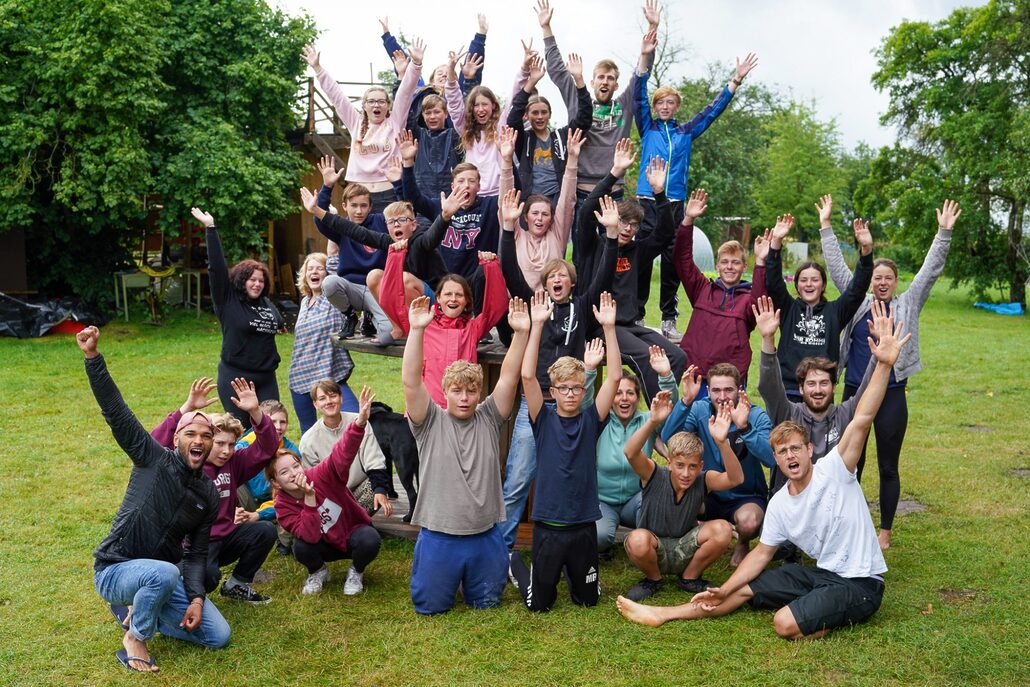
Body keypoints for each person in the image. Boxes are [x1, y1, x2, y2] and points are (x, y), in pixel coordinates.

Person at [616, 301, 910, 640]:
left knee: (784, 624)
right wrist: (724, 588)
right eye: (782, 452)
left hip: (861, 582)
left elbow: (862, 419)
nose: (790, 457)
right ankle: (663, 614)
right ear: (776, 460)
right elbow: (761, 555)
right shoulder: (782, 501)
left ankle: (823, 617)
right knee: (743, 588)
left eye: (795, 449)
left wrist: (884, 365)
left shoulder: (835, 469)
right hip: (822, 573)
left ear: (809, 451)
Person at [81, 327, 230, 673]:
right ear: (177, 437)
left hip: (161, 576)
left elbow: (196, 554)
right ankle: (136, 635)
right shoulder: (152, 458)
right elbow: (117, 412)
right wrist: (93, 359)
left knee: (218, 635)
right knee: (162, 573)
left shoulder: (207, 493)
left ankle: (138, 605)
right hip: (115, 569)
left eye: (206, 436)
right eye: (191, 433)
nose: (199, 440)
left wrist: (195, 597)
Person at [822, 199, 961, 550]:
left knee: (888, 465)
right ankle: (847, 521)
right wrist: (826, 227)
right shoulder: (857, 300)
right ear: (869, 280)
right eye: (876, 277)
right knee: (850, 462)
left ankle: (884, 531)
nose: (881, 282)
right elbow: (837, 265)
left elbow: (930, 270)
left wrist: (944, 232)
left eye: (888, 278)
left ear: (896, 282)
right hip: (855, 393)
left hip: (893, 393)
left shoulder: (909, 302)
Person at [497, 188, 618, 550]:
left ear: (571, 282)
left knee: (575, 477)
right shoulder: (537, 305)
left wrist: (611, 236)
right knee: (518, 478)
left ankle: (570, 545)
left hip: (574, 406)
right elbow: (509, 270)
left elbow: (604, 276)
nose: (558, 280)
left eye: (564, 276)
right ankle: (500, 550)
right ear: (546, 284)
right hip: (537, 405)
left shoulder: (581, 306)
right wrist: (506, 229)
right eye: (552, 277)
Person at [403, 295, 530, 614]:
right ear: (444, 393)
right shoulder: (429, 420)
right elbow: (411, 381)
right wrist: (417, 331)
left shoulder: (489, 417)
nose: (464, 397)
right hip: (439, 537)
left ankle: (482, 572)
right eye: (457, 391)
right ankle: (445, 577)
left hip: (485, 535)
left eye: (471, 391)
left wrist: (521, 334)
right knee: (430, 607)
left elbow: (509, 377)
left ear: (480, 393)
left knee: (487, 602)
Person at [507, 291, 622, 611]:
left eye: (576, 387)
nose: (571, 394)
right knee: (539, 605)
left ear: (583, 389)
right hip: (549, 529)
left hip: (583, 527)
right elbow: (527, 375)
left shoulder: (591, 419)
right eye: (564, 388)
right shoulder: (541, 419)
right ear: (553, 391)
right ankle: (516, 565)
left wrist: (609, 329)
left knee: (589, 601)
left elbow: (613, 376)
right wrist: (537, 325)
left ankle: (579, 577)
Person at [634, 52, 758, 340]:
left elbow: (711, 112)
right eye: (660, 103)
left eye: (670, 103)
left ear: (677, 107)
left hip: (676, 205)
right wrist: (643, 57)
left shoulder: (686, 132)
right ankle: (637, 314)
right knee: (640, 260)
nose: (665, 107)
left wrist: (736, 80)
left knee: (672, 263)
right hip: (647, 203)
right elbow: (638, 96)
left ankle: (668, 318)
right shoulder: (647, 127)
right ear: (654, 106)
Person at [150, 379, 279, 604]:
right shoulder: (185, 463)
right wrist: (187, 409)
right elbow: (154, 444)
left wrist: (256, 412)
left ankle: (237, 584)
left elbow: (268, 447)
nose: (226, 451)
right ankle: (175, 583)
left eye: (231, 444)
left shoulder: (235, 463)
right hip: (192, 545)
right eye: (219, 443)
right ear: (207, 440)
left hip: (226, 536)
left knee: (265, 531)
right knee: (208, 578)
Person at [577, 144, 687, 399]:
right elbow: (585, 213)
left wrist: (659, 193)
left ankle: (660, 413)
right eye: (624, 221)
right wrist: (614, 173)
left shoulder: (638, 251)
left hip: (630, 326)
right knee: (648, 357)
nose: (628, 228)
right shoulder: (592, 245)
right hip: (600, 327)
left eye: (634, 225)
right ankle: (657, 423)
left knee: (677, 356)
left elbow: (665, 233)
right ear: (612, 218)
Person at [620, 392, 742, 600]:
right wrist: (652, 421)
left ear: (700, 466)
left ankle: (689, 578)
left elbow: (735, 479)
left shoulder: (704, 479)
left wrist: (722, 443)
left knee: (722, 529)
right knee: (637, 539)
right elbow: (631, 453)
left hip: (685, 548)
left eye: (692, 467)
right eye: (680, 466)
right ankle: (653, 580)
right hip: (653, 545)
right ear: (669, 462)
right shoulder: (653, 474)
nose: (686, 474)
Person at [269, 386, 383, 596]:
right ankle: (318, 571)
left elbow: (340, 455)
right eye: (284, 472)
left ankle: (356, 571)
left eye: (296, 466)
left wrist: (358, 424)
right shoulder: (283, 506)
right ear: (276, 483)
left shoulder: (319, 475)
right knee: (301, 547)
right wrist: (310, 498)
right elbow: (310, 536)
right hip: (321, 543)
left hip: (349, 534)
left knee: (370, 538)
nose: (294, 473)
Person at [537, 0, 659, 197]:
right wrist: (546, 28)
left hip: (614, 191)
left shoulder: (624, 104)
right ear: (592, 82)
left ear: (616, 85)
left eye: (610, 78)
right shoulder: (579, 101)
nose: (605, 82)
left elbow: (641, 75)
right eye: (601, 77)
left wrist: (652, 29)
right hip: (581, 189)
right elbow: (558, 70)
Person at [754, 295, 873, 494]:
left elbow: (869, 392)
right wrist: (768, 339)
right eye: (811, 384)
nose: (817, 390)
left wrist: (880, 360)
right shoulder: (788, 414)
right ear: (801, 389)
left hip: (834, 503)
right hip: (791, 504)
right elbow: (769, 385)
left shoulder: (846, 414)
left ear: (834, 387)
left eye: (824, 383)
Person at [661, 363, 773, 566]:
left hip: (745, 495)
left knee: (749, 523)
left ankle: (742, 543)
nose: (722, 396)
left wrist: (745, 428)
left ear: (740, 390)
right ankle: (700, 536)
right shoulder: (699, 408)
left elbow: (770, 459)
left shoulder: (754, 415)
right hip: (708, 492)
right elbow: (671, 439)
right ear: (708, 390)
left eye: (728, 390)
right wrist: (686, 401)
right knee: (679, 505)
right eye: (716, 390)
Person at [766, 198, 873, 397]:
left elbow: (857, 288)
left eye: (814, 280)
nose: (809, 284)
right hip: (788, 389)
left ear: (823, 285)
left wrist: (866, 251)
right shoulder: (788, 309)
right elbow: (772, 281)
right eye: (804, 280)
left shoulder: (835, 311)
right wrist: (776, 243)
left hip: (821, 391)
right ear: (796, 285)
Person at [302, 39, 425, 211]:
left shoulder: (395, 122)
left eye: (381, 101)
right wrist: (318, 68)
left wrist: (416, 64)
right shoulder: (356, 123)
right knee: (358, 237)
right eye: (372, 101)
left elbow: (405, 92)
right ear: (365, 105)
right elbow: (336, 95)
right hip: (358, 194)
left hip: (389, 191)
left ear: (388, 105)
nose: (376, 105)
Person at [192, 207, 284, 429]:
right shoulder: (228, 302)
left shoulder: (265, 303)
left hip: (266, 378)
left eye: (261, 281)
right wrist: (211, 228)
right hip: (237, 378)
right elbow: (217, 269)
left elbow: (278, 323)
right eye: (251, 279)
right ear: (241, 281)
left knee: (271, 430)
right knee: (241, 433)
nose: (257, 284)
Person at [380, 249, 507, 407]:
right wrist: (395, 256)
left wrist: (491, 266)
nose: (453, 299)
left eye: (459, 295)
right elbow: (389, 302)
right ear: (438, 298)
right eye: (448, 294)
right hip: (428, 411)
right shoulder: (422, 325)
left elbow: (497, 306)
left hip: (462, 410)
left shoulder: (473, 328)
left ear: (467, 301)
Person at [673, 190, 768, 396]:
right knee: (695, 426)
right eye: (724, 262)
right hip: (698, 377)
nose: (730, 267)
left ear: (744, 267)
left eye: (735, 262)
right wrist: (688, 219)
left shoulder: (747, 300)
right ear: (717, 266)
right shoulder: (702, 289)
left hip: (729, 382)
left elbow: (760, 300)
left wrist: (761, 262)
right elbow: (682, 260)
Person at [591, 348, 678, 556]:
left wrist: (666, 375)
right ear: (610, 398)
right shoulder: (598, 421)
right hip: (603, 501)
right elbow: (585, 400)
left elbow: (668, 406)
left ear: (637, 398)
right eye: (618, 393)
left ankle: (639, 542)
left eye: (630, 393)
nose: (624, 398)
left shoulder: (648, 420)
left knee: (658, 525)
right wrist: (589, 369)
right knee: (599, 538)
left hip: (636, 499)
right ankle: (606, 539)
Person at [498, 124, 584, 292]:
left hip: (548, 306)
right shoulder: (516, 235)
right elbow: (505, 202)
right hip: (518, 305)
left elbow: (567, 201)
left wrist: (572, 160)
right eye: (535, 213)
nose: (539, 218)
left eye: (545, 214)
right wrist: (507, 161)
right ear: (526, 217)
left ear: (551, 219)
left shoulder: (556, 236)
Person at [444, 41, 531, 197]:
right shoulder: (466, 128)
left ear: (493, 106)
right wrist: (451, 73)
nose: (481, 109)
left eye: (485, 104)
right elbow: (454, 105)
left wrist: (524, 69)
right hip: (473, 193)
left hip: (499, 192)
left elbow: (514, 96)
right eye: (476, 105)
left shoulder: (501, 125)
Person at [299, 379, 393, 519]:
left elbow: (374, 459)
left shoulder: (359, 422)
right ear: (315, 404)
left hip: (358, 490)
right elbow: (313, 482)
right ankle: (350, 522)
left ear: (341, 398)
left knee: (375, 489)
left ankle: (351, 521)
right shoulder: (308, 440)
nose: (329, 401)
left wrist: (380, 490)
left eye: (333, 396)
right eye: (322, 398)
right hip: (331, 496)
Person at [506, 53, 592, 203]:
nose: (539, 117)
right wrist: (531, 82)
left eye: (544, 112)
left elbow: (585, 118)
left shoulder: (562, 136)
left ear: (550, 114)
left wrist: (579, 79)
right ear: (527, 115)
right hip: (531, 201)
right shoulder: (524, 139)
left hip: (558, 200)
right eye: (535, 112)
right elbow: (512, 119)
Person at [288, 252, 358, 434]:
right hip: (300, 377)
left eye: (320, 268)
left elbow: (335, 263)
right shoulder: (304, 302)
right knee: (309, 433)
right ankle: (313, 463)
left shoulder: (332, 298)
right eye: (310, 269)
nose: (314, 272)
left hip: (329, 372)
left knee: (356, 422)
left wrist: (327, 223)